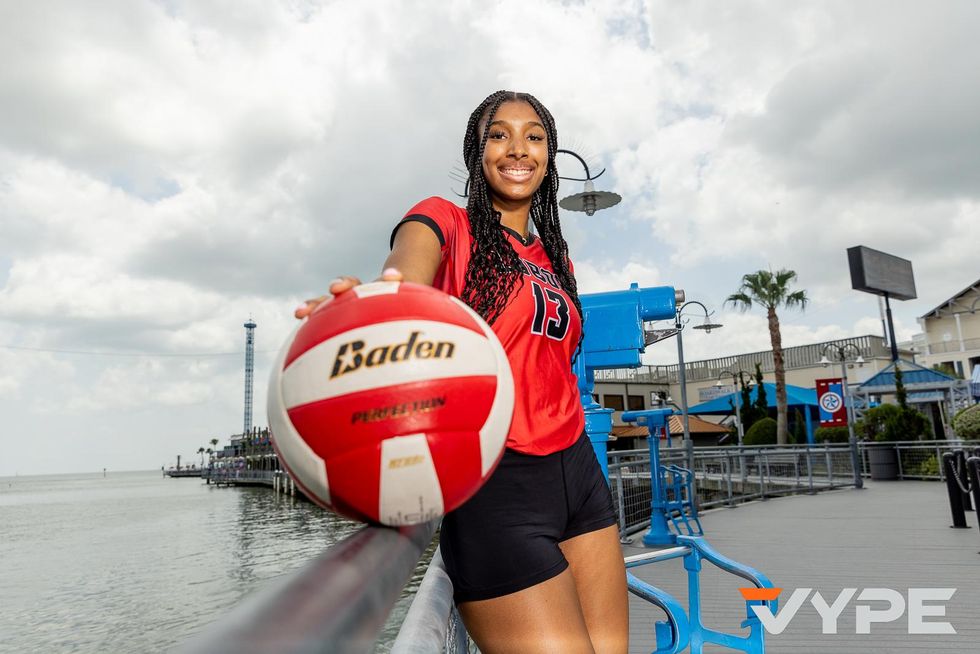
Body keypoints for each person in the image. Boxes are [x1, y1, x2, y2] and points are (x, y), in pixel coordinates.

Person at [296, 90, 627, 653]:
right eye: (498, 134)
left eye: (534, 136)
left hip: (580, 475)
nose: (517, 148)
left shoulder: (555, 258)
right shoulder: (445, 221)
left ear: (550, 154)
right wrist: (380, 303)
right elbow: (406, 272)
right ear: (477, 151)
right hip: (496, 484)